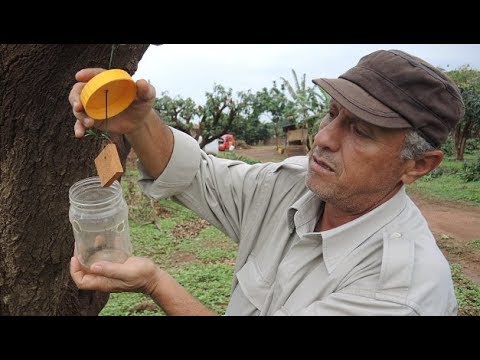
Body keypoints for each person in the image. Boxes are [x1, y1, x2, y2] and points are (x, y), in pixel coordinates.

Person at [69, 49, 465, 316]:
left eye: (361, 130)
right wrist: (140, 123)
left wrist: (156, 283)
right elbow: (196, 174)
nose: (324, 137)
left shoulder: (401, 290)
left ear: (418, 164)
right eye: (332, 114)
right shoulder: (291, 186)